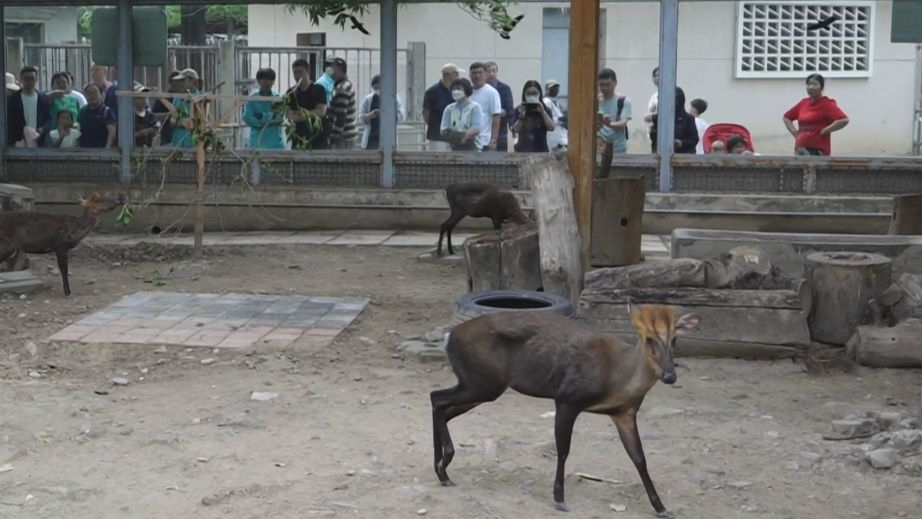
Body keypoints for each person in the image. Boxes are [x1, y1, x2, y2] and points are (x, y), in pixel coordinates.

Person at [783, 73, 849, 156]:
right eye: (809, 84)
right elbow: (787, 117)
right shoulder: (803, 103)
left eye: (815, 84)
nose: (811, 87)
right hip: (801, 148)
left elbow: (843, 120)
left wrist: (826, 130)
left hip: (818, 150)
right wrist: (795, 133)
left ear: (822, 87)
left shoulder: (827, 103)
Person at [596, 68, 633, 176]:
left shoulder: (623, 101)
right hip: (598, 147)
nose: (604, 88)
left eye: (608, 84)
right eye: (601, 85)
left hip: (618, 149)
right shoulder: (594, 100)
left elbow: (623, 122)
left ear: (615, 83)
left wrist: (609, 123)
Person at [285, 58, 328, 150]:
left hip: (318, 137)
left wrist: (299, 114)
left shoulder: (319, 89)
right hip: (298, 136)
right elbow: (289, 115)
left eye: (300, 72)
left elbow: (321, 112)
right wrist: (309, 114)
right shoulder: (291, 92)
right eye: (295, 73)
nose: (297, 76)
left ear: (308, 71)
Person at [7, 66, 51, 147]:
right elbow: (10, 121)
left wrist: (43, 129)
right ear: (21, 80)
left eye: (32, 78)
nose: (29, 81)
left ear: (36, 79)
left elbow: (48, 118)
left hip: (39, 140)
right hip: (19, 141)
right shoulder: (14, 99)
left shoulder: (43, 99)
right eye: (26, 78)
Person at [358, 74, 406, 150]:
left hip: (388, 138)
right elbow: (361, 117)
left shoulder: (394, 97)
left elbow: (401, 115)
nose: (377, 90)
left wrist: (386, 115)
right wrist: (369, 116)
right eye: (375, 88)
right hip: (371, 138)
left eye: (379, 87)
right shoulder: (368, 99)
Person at [242, 67, 285, 149]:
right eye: (265, 80)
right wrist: (269, 119)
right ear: (258, 80)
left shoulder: (278, 98)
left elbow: (279, 118)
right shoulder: (253, 98)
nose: (268, 83)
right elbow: (247, 117)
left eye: (271, 80)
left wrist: (261, 117)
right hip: (257, 142)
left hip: (275, 143)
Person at [422, 63, 460, 152]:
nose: (458, 76)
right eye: (456, 73)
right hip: (437, 136)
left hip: (455, 136)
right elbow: (425, 112)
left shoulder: (457, 91)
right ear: (449, 75)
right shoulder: (432, 92)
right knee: (438, 161)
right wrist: (434, 125)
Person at [650, 86, 698, 154]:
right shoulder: (660, 119)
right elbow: (654, 139)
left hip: (684, 157)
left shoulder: (688, 119)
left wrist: (681, 143)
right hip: (662, 156)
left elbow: (694, 140)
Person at [439, 78, 483, 152]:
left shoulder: (474, 107)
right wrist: (454, 138)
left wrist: (464, 137)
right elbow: (444, 128)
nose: (455, 91)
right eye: (454, 89)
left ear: (466, 90)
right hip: (453, 147)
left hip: (472, 147)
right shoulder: (449, 108)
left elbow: (476, 128)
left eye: (458, 89)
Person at [511, 80, 555, 153]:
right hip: (522, 151)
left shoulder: (545, 109)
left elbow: (551, 127)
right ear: (524, 94)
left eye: (534, 93)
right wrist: (521, 117)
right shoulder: (519, 109)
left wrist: (542, 112)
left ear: (539, 94)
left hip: (541, 150)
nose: (531, 96)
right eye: (529, 93)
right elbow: (515, 130)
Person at [468, 62, 502, 152]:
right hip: (467, 141)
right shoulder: (467, 92)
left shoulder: (492, 93)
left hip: (484, 141)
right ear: (470, 75)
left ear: (485, 75)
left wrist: (493, 140)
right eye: (474, 73)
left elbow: (496, 118)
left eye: (480, 73)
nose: (477, 76)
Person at [484, 61, 515, 152]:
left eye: (494, 71)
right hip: (485, 128)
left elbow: (509, 109)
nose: (492, 74)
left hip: (501, 128)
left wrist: (512, 126)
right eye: (489, 71)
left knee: (501, 154)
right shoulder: (480, 88)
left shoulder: (505, 88)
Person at [328, 57, 358, 149]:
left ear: (340, 70)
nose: (330, 71)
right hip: (347, 134)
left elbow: (341, 116)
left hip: (343, 136)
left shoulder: (342, 89)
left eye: (332, 68)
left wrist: (333, 137)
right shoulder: (344, 85)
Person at [77, 83, 116, 148]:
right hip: (84, 151)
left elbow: (112, 133)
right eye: (89, 93)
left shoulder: (107, 111)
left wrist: (107, 148)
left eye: (94, 92)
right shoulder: (82, 111)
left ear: (101, 94)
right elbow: (78, 131)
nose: (92, 95)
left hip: (101, 151)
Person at [169, 68, 201, 148]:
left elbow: (205, 120)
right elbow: (172, 120)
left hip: (194, 143)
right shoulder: (178, 98)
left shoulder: (201, 98)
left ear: (192, 81)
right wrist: (180, 122)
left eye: (183, 80)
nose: (181, 83)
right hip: (178, 143)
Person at [152, 70, 181, 145]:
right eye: (175, 85)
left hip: (183, 138)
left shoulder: (186, 98)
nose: (177, 87)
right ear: (170, 83)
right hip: (167, 138)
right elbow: (153, 116)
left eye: (179, 84)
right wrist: (169, 115)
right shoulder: (164, 98)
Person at [542, 79, 567, 150]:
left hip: (560, 132)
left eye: (556, 88)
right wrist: (559, 119)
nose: (555, 90)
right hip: (553, 134)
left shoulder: (556, 103)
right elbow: (546, 119)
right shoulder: (546, 102)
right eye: (553, 88)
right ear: (547, 89)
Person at [643, 66, 660, 153]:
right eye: (656, 76)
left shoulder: (675, 93)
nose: (658, 78)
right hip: (655, 131)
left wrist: (652, 117)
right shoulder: (654, 96)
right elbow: (647, 116)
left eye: (661, 75)